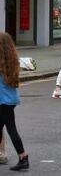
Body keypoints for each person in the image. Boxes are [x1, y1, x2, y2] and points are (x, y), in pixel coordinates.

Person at [0, 33, 29, 171]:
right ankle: (23, 158)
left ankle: (23, 157)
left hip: (3, 101)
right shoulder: (11, 60)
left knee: (11, 130)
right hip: (9, 100)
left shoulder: (1, 62)